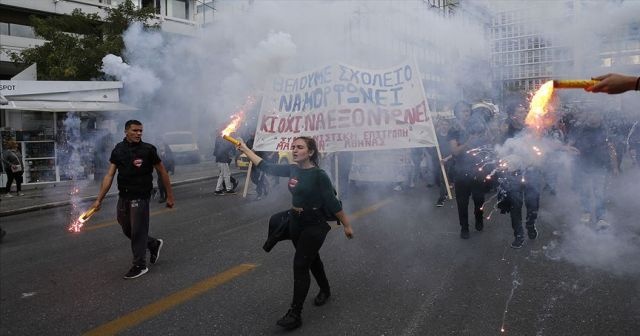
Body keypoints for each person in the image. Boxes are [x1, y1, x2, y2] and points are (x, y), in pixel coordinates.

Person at [236, 136, 354, 330]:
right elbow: (265, 166)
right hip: (295, 222)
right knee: (311, 258)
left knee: (300, 264)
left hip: (314, 224)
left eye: (299, 147)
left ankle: (295, 313)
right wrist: (245, 149)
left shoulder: (319, 175)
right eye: (293, 147)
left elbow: (333, 203)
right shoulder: (292, 169)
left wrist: (347, 225)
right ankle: (325, 289)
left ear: (310, 152)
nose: (294, 150)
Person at [90, 120, 174, 279]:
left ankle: (140, 265)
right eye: (135, 130)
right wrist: (98, 199)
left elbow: (163, 172)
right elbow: (109, 175)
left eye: (141, 131)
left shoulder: (148, 150)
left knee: (137, 231)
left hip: (141, 196)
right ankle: (152, 243)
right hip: (124, 195)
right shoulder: (118, 150)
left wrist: (170, 195)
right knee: (126, 227)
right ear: (126, 131)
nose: (139, 133)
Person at [567, 110, 618, 229]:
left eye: (596, 114)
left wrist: (615, 167)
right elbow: (569, 144)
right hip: (582, 165)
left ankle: (601, 217)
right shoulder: (579, 129)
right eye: (591, 114)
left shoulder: (606, 130)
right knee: (584, 191)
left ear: (600, 116)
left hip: (601, 166)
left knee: (599, 192)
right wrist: (570, 149)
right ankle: (586, 212)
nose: (593, 116)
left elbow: (612, 149)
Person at [448, 102, 489, 239]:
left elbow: (488, 141)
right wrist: (468, 143)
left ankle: (479, 219)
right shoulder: (453, 130)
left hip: (477, 169)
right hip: (461, 171)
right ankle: (464, 228)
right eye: (463, 111)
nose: (466, 114)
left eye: (467, 111)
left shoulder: (477, 126)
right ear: (457, 114)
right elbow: (454, 151)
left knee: (479, 199)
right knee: (462, 202)